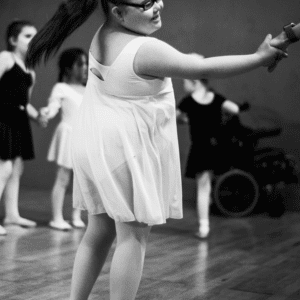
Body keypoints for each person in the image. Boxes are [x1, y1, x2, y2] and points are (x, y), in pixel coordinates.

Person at [25, 0, 289, 299]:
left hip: (97, 147)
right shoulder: (144, 49)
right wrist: (258, 57)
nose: (158, 5)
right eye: (146, 3)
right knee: (133, 236)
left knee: (98, 231)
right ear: (119, 12)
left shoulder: (103, 34)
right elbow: (202, 68)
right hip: (122, 152)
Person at [177, 70, 241, 238]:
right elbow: (234, 109)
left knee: (203, 189)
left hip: (200, 149)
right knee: (208, 185)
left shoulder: (188, 102)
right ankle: (205, 220)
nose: (184, 85)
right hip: (216, 147)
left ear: (195, 82)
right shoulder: (215, 98)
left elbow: (173, 117)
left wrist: (188, 119)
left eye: (185, 82)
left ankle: (204, 227)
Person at [0, 20, 47, 236]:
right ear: (12, 40)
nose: (33, 40)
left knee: (16, 169)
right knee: (4, 168)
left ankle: (12, 215)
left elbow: (24, 103)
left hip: (19, 120)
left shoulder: (30, 71)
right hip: (3, 117)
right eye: (28, 36)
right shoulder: (5, 58)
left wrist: (38, 116)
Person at [40, 48, 88, 231]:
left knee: (82, 181)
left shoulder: (89, 90)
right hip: (68, 135)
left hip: (85, 138)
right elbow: (53, 106)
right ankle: (57, 218)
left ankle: (76, 216)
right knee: (63, 178)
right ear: (68, 68)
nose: (85, 68)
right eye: (80, 64)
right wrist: (47, 112)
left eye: (86, 64)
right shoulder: (61, 88)